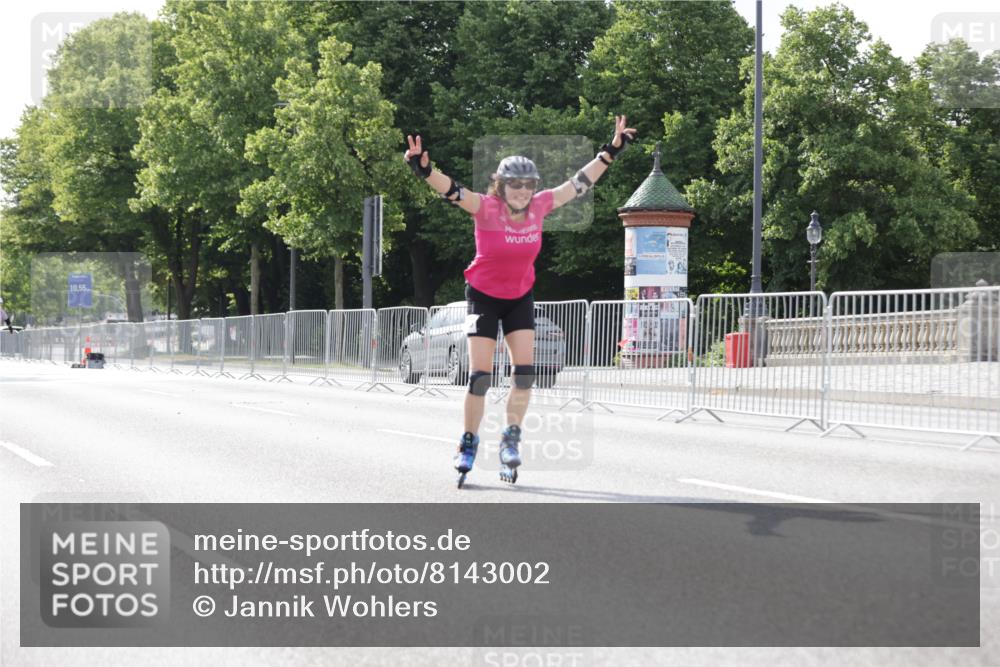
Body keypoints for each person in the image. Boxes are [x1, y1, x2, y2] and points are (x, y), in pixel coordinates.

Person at [403, 115, 637, 484]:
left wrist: (611, 151)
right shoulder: (485, 207)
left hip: (519, 297)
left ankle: (510, 439)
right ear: (500, 185)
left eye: (529, 185)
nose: (523, 191)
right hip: (482, 297)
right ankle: (468, 442)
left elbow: (578, 183)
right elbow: (453, 190)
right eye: (515, 184)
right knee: (480, 378)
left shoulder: (540, 206)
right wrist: (425, 170)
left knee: (525, 374)